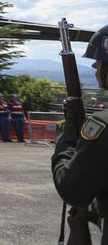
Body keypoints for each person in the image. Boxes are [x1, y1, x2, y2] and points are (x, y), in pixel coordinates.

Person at [52, 24, 108, 243]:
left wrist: (66, 139)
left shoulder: (102, 125)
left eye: (101, 59)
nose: (95, 64)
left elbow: (71, 189)